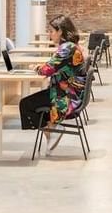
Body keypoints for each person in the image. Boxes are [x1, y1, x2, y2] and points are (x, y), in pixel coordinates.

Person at [19, 15, 86, 154]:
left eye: (51, 31)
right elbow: (54, 66)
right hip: (69, 92)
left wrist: (36, 68)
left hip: (66, 97)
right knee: (32, 104)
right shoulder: (71, 46)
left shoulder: (66, 48)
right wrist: (42, 67)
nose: (49, 35)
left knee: (25, 105)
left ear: (60, 31)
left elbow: (47, 70)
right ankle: (52, 128)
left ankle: (52, 130)